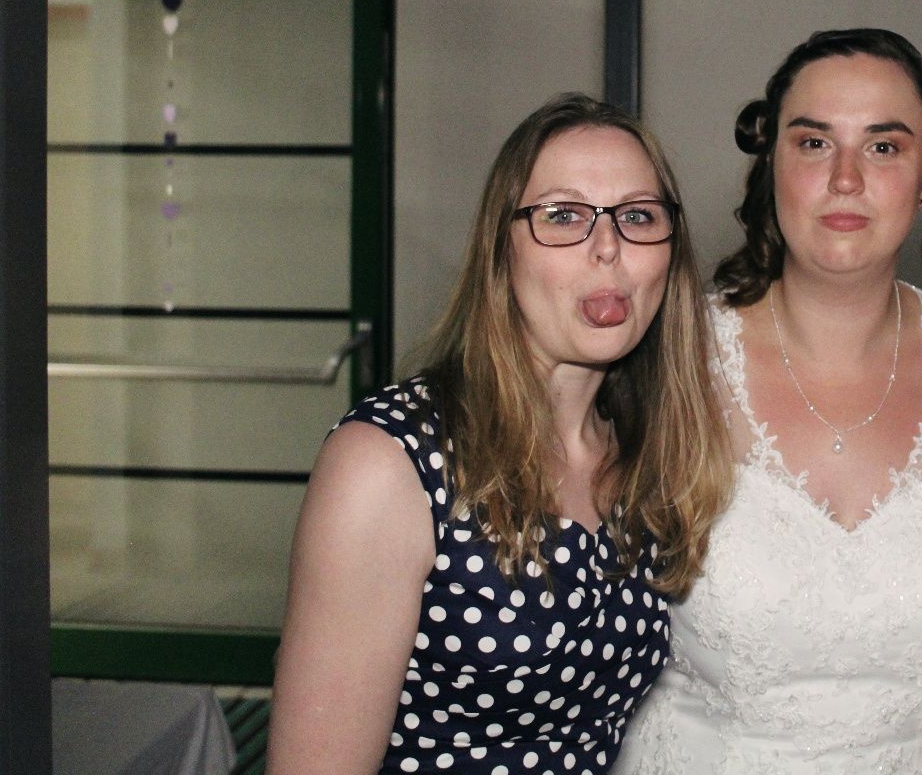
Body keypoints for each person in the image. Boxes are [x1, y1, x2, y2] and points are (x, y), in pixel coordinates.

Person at [268, 94, 731, 775]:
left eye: (637, 216)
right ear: (500, 250)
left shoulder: (642, 454)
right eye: (564, 216)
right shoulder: (392, 463)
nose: (608, 248)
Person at [615, 29, 922, 775]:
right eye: (813, 144)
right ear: (771, 163)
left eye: (883, 147)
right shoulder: (669, 361)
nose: (845, 178)